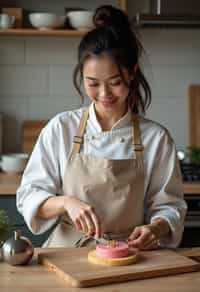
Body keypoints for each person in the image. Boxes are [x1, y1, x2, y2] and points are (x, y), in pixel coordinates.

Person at [16, 5, 187, 250]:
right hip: (67, 253)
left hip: (130, 256)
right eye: (93, 83)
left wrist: (156, 228)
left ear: (132, 73)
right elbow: (29, 196)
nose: (104, 94)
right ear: (81, 77)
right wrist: (66, 203)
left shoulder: (156, 138)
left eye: (115, 82)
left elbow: (170, 206)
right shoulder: (61, 128)